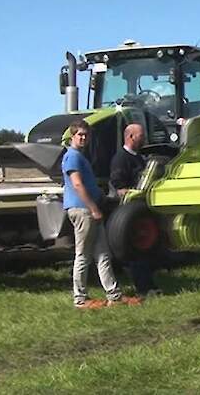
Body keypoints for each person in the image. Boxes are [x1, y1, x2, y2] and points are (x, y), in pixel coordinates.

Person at [62, 119, 139, 309]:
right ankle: (80, 299)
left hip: (90, 209)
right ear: (72, 136)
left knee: (103, 254)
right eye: (80, 135)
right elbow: (77, 184)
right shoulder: (72, 157)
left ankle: (114, 295)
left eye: (86, 135)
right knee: (83, 256)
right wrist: (93, 208)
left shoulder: (80, 156)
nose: (84, 138)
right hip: (83, 210)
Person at [109, 123, 163, 298]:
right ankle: (143, 289)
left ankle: (150, 285)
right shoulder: (121, 158)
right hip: (129, 212)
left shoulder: (139, 158)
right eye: (141, 136)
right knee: (134, 253)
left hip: (142, 211)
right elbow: (118, 186)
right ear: (131, 137)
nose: (144, 139)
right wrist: (131, 193)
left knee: (146, 251)